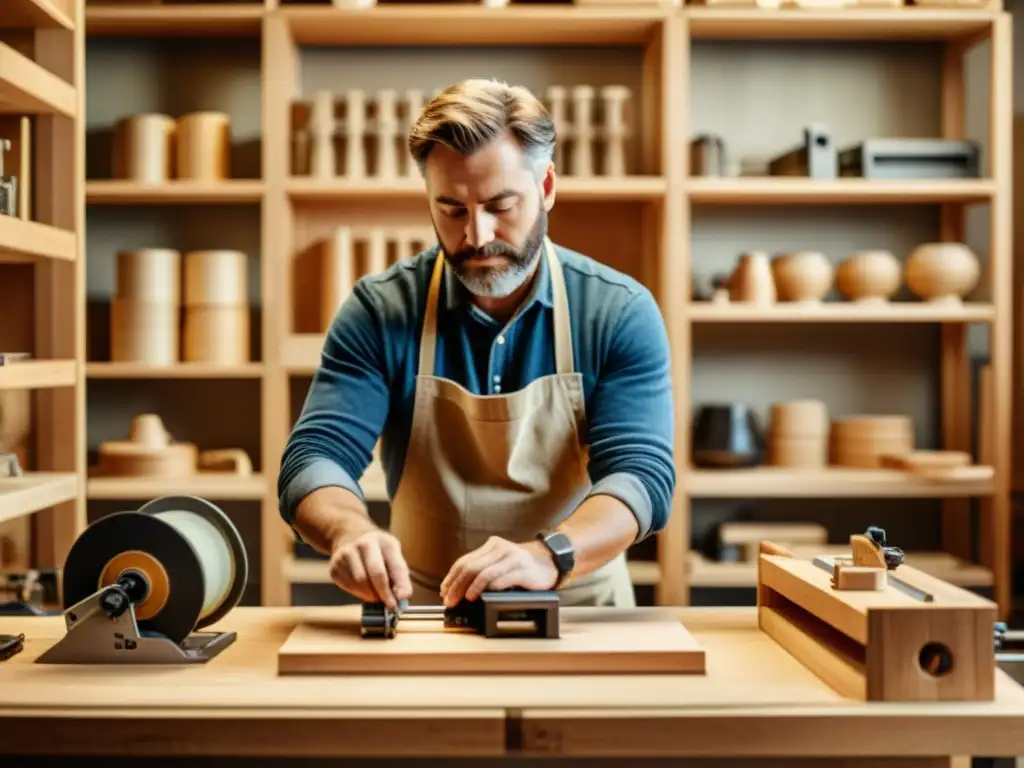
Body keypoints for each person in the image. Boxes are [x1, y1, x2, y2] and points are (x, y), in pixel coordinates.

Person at [277, 78, 675, 611]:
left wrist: (547, 555)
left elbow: (642, 476)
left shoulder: (618, 311)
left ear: (547, 187)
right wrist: (348, 530)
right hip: (424, 611)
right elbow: (315, 455)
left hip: (578, 607)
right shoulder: (380, 310)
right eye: (453, 210)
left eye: (500, 206)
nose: (477, 236)